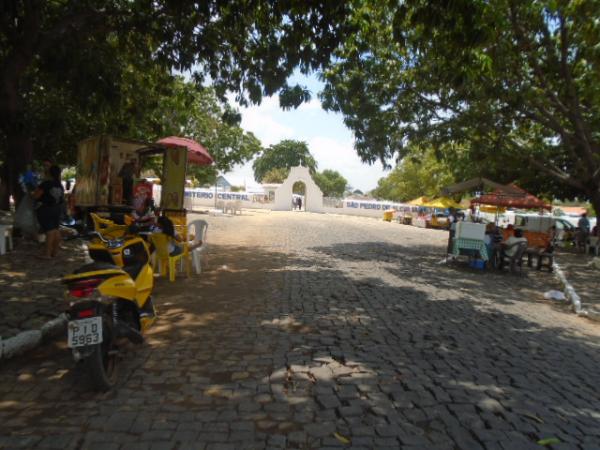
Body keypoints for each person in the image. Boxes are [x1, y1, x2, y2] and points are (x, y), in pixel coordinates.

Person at [34, 165, 64, 258]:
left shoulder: (46, 184)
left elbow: (36, 196)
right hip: (57, 209)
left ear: (49, 173)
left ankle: (47, 254)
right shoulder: (59, 185)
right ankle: (55, 252)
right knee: (56, 230)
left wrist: (32, 192)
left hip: (46, 209)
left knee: (49, 231)